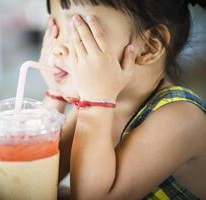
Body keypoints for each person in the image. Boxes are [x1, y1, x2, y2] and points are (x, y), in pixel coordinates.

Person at [39, 0, 206, 199]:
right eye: (55, 29)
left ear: (149, 46)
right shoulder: (97, 107)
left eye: (80, 31)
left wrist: (95, 103)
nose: (57, 49)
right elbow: (41, 176)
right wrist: (55, 94)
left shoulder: (180, 118)